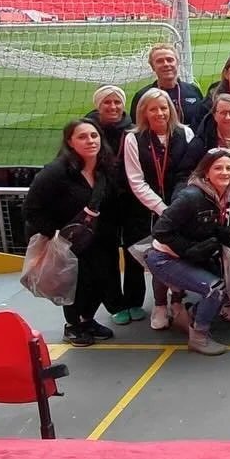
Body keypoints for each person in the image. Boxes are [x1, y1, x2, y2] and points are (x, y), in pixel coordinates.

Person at [23, 120, 119, 345]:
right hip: (70, 242)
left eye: (94, 136)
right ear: (70, 142)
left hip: (100, 239)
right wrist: (57, 236)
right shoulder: (55, 172)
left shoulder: (105, 167)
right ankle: (73, 325)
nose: (90, 141)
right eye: (83, 137)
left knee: (101, 280)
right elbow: (31, 209)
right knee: (76, 283)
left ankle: (88, 320)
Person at [146, 148, 230, 356]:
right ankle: (199, 337)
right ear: (205, 172)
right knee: (214, 288)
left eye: (229, 168)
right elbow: (160, 231)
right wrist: (189, 250)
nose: (225, 173)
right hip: (165, 258)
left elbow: (208, 225)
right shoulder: (190, 196)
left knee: (224, 285)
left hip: (188, 254)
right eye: (218, 168)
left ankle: (190, 316)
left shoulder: (221, 195)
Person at [123, 88, 195, 331]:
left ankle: (177, 301)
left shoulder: (185, 133)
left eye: (163, 108)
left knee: (179, 255)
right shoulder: (133, 138)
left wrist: (178, 207)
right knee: (158, 257)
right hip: (151, 210)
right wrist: (162, 208)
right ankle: (160, 305)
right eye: (153, 108)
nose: (159, 113)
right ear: (143, 111)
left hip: (182, 206)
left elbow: (193, 171)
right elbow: (136, 180)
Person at [84, 85, 144, 322]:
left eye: (117, 102)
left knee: (134, 250)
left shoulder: (133, 129)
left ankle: (134, 300)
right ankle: (114, 304)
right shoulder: (88, 130)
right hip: (102, 203)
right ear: (98, 106)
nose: (113, 107)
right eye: (107, 102)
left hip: (131, 200)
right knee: (105, 253)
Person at [129, 43, 205, 127]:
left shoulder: (193, 91)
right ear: (152, 67)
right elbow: (137, 128)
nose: (166, 64)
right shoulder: (142, 96)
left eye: (170, 60)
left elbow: (203, 123)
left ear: (177, 63)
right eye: (160, 61)